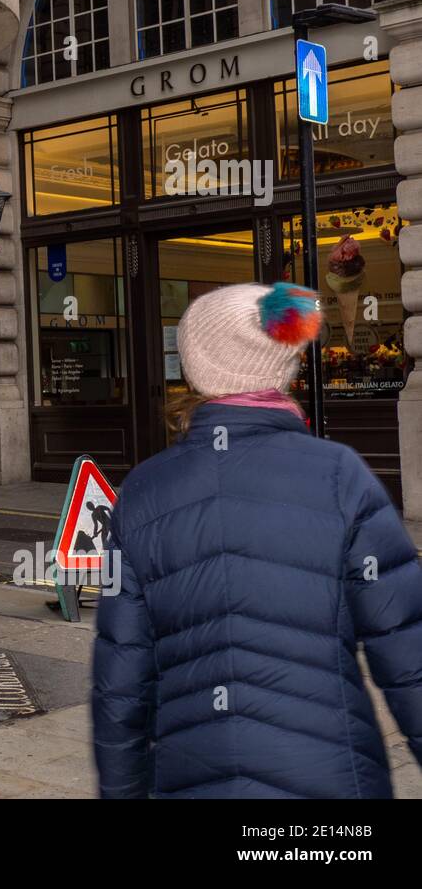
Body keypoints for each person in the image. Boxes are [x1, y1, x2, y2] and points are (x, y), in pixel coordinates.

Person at [91, 282, 422, 799]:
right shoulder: (339, 476)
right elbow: (407, 654)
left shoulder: (142, 492)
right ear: (283, 370)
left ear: (195, 369)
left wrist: (122, 791)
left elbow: (122, 681)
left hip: (190, 776)